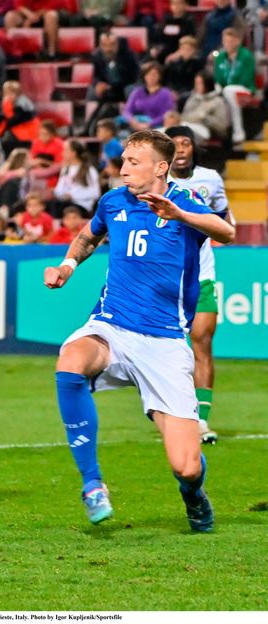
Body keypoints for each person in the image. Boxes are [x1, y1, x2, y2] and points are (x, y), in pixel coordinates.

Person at [43, 129, 234, 531]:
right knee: (70, 360)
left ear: (160, 167)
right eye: (124, 160)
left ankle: (194, 495)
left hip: (164, 342)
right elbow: (88, 235)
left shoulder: (185, 202)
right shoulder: (113, 201)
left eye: (133, 162)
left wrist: (178, 214)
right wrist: (67, 266)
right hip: (112, 325)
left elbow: (227, 232)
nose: (123, 168)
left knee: (185, 466)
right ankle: (93, 484)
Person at [165, 126, 230, 445]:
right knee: (168, 349)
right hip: (166, 278)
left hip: (202, 273)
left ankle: (201, 422)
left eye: (185, 143)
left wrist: (217, 231)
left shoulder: (210, 179)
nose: (180, 149)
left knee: (201, 340)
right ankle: (172, 411)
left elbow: (225, 220)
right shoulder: (157, 183)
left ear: (193, 148)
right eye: (173, 144)